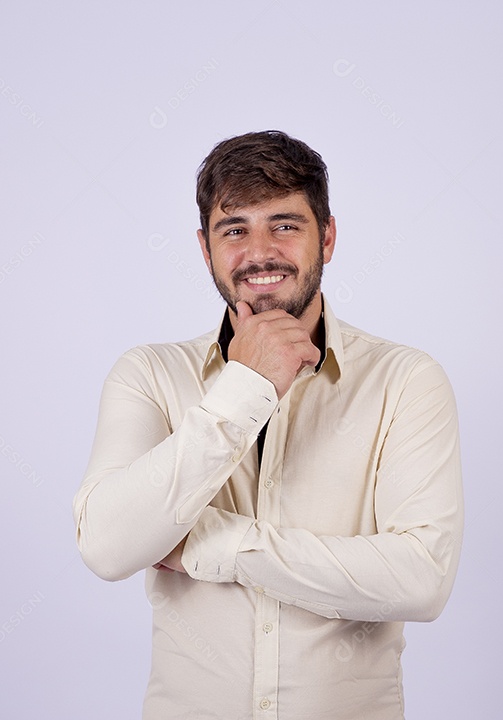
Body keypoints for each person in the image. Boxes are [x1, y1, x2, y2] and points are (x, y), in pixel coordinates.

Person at [73, 130, 463, 719]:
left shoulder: (405, 380)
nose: (260, 252)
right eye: (235, 230)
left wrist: (211, 545)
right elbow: (106, 545)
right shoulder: (149, 374)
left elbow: (421, 579)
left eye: (285, 224)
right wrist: (246, 387)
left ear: (326, 237)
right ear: (206, 249)